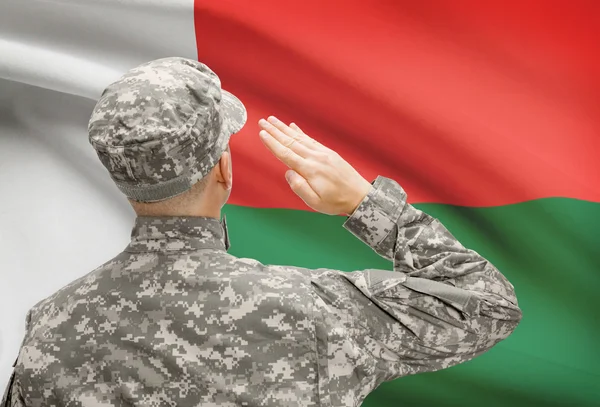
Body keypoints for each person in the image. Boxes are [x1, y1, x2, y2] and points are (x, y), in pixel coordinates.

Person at [1, 57, 522, 407]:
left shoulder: (51, 325)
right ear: (223, 168)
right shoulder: (317, 311)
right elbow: (488, 304)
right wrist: (368, 205)